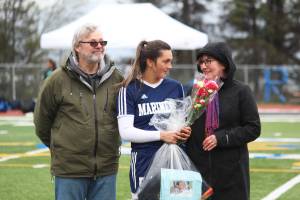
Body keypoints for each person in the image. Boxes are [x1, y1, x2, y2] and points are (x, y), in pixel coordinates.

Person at [34, 24, 123, 200]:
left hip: (106, 169)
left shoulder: (116, 78)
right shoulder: (56, 80)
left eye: (102, 42)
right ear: (77, 46)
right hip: (70, 170)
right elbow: (42, 123)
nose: (99, 46)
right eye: (93, 42)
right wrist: (63, 149)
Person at [117, 40, 191, 200]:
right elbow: (126, 131)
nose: (170, 66)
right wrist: (162, 135)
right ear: (150, 62)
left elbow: (181, 121)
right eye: (166, 61)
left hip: (174, 160)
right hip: (144, 162)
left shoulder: (176, 87)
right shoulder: (129, 89)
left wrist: (184, 131)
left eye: (171, 61)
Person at [186, 42, 261, 200]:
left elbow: (253, 128)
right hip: (198, 171)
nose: (203, 66)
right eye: (201, 62)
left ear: (223, 63)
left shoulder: (241, 91)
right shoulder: (194, 91)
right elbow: (186, 124)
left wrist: (221, 138)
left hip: (231, 173)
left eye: (208, 61)